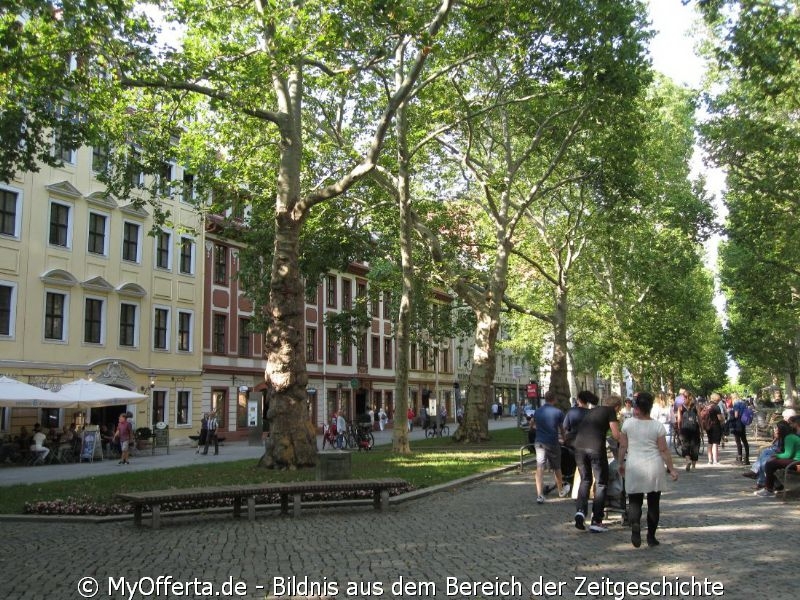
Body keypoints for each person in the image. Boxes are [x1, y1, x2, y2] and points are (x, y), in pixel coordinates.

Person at [618, 391, 679, 548]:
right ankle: (651, 537)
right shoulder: (657, 426)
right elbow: (664, 450)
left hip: (634, 465)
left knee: (634, 500)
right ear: (651, 407)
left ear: (637, 407)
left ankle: (635, 525)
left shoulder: (628, 424)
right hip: (654, 466)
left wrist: (620, 463)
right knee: (653, 503)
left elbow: (623, 446)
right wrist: (671, 469)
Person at [572, 392, 621, 533]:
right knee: (601, 483)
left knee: (585, 479)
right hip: (595, 448)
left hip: (579, 447)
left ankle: (580, 511)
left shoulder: (593, 410)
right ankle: (596, 520)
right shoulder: (610, 411)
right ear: (616, 407)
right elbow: (615, 435)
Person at [530, 391, 569, 505]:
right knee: (557, 467)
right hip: (552, 442)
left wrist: (538, 429)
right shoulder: (558, 412)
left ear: (545, 399)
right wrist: (564, 438)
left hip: (539, 443)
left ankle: (539, 494)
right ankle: (561, 490)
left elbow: (531, 424)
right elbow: (562, 429)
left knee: (540, 467)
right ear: (554, 399)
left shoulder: (537, 411)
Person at [755, 415, 800, 497]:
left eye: (777, 429)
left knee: (770, 463)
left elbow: (788, 455)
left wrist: (776, 456)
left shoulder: (789, 438)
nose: (775, 430)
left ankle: (769, 490)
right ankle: (776, 486)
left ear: (781, 430)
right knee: (771, 462)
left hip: (797, 462)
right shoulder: (791, 436)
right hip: (795, 460)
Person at [677, 391, 701, 471]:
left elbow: (679, 420)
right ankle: (694, 466)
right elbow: (699, 418)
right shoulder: (696, 406)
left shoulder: (680, 406)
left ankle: (688, 460)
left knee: (685, 445)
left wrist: (678, 428)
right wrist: (701, 428)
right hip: (694, 428)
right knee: (695, 445)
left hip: (684, 428)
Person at [729, 393, 750, 465]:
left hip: (737, 424)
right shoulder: (743, 403)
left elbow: (736, 415)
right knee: (744, 441)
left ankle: (740, 458)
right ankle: (747, 458)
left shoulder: (736, 404)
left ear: (733, 398)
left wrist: (731, 414)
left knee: (738, 441)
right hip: (743, 423)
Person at [704, 393, 725, 465]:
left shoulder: (706, 406)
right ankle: (715, 460)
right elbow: (719, 418)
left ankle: (709, 460)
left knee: (710, 442)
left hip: (707, 426)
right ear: (717, 399)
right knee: (715, 443)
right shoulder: (716, 407)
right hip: (715, 426)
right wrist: (723, 419)